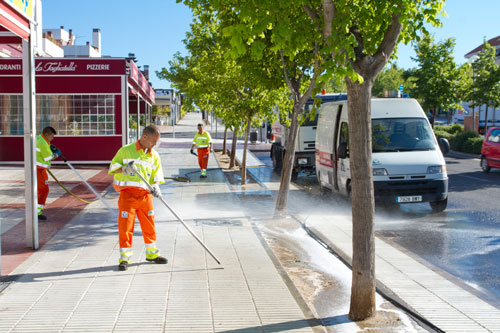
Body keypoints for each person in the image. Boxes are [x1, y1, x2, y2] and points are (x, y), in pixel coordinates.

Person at [109, 125, 167, 271]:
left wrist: (156, 187)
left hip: (146, 196)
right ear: (144, 137)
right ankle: (125, 258)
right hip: (128, 196)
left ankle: (152, 254)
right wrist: (124, 169)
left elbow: (156, 176)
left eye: (156, 142)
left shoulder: (154, 156)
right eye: (153, 141)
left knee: (149, 226)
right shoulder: (126, 150)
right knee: (126, 227)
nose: (154, 144)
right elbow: (112, 168)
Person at [36, 126, 61, 220]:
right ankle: (37, 212)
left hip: (40, 169)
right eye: (52, 136)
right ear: (46, 134)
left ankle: (37, 211)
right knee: (43, 190)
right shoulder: (42, 142)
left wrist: (50, 147)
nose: (53, 138)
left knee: (40, 190)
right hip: (39, 170)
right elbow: (48, 158)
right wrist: (56, 154)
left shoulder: (40, 138)